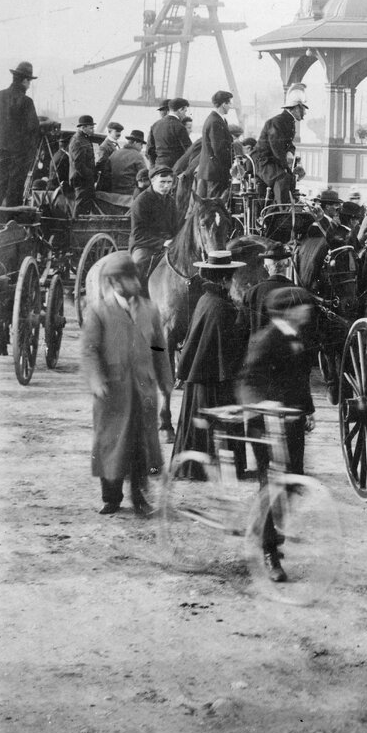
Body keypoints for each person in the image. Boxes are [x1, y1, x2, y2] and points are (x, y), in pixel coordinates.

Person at [80, 254, 172, 516]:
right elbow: (89, 350)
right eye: (128, 278)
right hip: (112, 391)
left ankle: (140, 498)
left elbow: (159, 347)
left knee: (141, 445)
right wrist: (96, 380)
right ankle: (111, 497)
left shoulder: (150, 310)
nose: (135, 282)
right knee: (111, 443)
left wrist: (165, 379)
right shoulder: (98, 311)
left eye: (135, 277)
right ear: (114, 282)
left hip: (143, 389)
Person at [236, 285, 316, 584]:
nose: (307, 310)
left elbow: (301, 380)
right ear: (288, 311)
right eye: (302, 306)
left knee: (294, 479)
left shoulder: (297, 338)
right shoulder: (265, 339)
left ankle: (264, 528)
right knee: (270, 486)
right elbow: (247, 380)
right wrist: (262, 404)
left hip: (291, 420)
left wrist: (307, 411)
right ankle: (269, 551)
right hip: (265, 422)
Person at [171, 248, 250, 472]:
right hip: (215, 380)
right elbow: (230, 348)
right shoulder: (223, 307)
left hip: (199, 377)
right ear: (224, 280)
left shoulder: (205, 300)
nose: (233, 283)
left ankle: (195, 466)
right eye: (231, 278)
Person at [0, 61, 42, 206]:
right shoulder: (26, 101)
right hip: (19, 153)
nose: (29, 86)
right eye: (29, 82)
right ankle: (12, 217)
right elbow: (33, 128)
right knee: (15, 186)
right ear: (25, 80)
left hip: (1, 148)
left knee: (0, 181)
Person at [253, 87, 308, 205]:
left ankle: (286, 207)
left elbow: (289, 144)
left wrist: (290, 153)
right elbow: (276, 148)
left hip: (272, 162)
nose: (305, 113)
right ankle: (281, 210)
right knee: (283, 179)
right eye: (303, 109)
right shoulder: (278, 122)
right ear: (296, 108)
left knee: (290, 178)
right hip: (263, 162)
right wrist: (286, 167)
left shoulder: (287, 121)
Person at [128, 166, 183, 277]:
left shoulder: (170, 201)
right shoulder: (141, 201)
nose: (166, 186)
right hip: (145, 245)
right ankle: (138, 288)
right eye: (162, 182)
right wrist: (162, 242)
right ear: (152, 181)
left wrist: (176, 240)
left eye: (169, 182)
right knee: (139, 263)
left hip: (168, 244)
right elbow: (138, 234)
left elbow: (175, 227)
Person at [196, 89, 236, 201]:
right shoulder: (215, 122)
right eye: (229, 103)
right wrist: (231, 164)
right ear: (224, 104)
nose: (230, 106)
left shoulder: (217, 120)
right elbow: (218, 150)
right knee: (215, 204)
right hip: (216, 173)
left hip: (213, 171)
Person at [66, 115, 102, 213]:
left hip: (84, 179)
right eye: (91, 128)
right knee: (80, 205)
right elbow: (78, 164)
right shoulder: (78, 141)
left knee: (85, 205)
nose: (93, 130)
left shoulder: (83, 139)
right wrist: (90, 175)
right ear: (83, 127)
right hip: (81, 180)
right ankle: (76, 222)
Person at [148, 98, 193, 171]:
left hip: (158, 167)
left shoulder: (155, 125)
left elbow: (150, 150)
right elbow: (189, 150)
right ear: (180, 109)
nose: (185, 115)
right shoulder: (179, 126)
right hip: (174, 169)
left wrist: (154, 166)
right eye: (185, 111)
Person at [102, 129, 149, 194]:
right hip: (130, 193)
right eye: (141, 144)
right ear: (135, 142)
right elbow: (144, 176)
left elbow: (105, 174)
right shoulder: (138, 156)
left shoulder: (115, 153)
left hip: (112, 191)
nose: (142, 148)